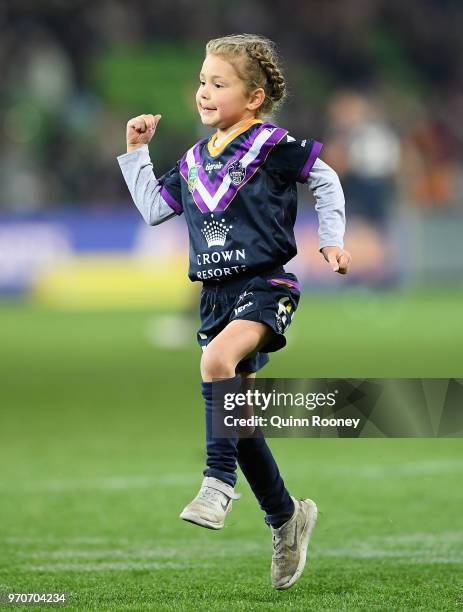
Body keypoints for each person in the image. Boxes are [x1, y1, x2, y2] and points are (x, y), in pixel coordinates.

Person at [117, 34, 351, 590]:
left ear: (253, 97)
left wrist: (332, 239)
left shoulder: (271, 145)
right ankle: (285, 517)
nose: (204, 91)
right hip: (215, 296)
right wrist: (135, 153)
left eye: (218, 83)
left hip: (265, 286)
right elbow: (154, 209)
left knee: (218, 361)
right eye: (202, 81)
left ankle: (216, 486)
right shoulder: (195, 160)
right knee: (238, 422)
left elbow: (324, 177)